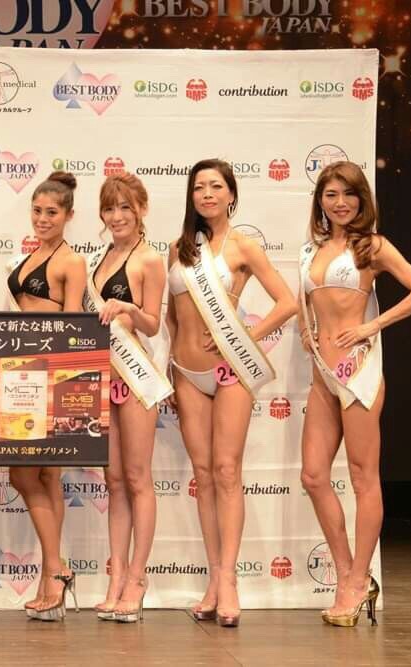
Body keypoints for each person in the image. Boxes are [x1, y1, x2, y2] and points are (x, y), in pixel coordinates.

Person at [298, 161, 411, 627]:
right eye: (331, 194)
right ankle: (346, 573)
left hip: (356, 372)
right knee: (313, 475)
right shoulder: (312, 249)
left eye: (348, 194)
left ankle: (359, 579)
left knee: (362, 477)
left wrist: (371, 326)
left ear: (362, 200)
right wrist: (307, 329)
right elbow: (309, 302)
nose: (340, 203)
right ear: (320, 201)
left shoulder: (372, 246)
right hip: (322, 375)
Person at [167, 159, 297, 627]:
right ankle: (212, 578)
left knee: (226, 470)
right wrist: (168, 367)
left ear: (231, 194)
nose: (207, 194)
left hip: (230, 370)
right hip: (186, 372)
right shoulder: (178, 249)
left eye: (216, 186)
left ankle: (229, 582)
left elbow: (288, 302)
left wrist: (245, 335)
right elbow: (171, 317)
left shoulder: (244, 246)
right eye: (199, 187)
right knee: (203, 473)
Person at [85, 172, 170, 623]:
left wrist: (128, 308)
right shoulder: (100, 257)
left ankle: (137, 579)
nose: (116, 216)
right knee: (114, 481)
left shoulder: (150, 259)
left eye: (125, 207)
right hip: (104, 378)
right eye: (109, 208)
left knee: (138, 479)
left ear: (141, 210)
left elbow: (153, 323)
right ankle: (115, 578)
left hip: (136, 378)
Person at [4, 171, 87, 621]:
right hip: (22, 373)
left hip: (49, 376)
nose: (42, 219)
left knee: (23, 475)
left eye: (51, 212)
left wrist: (57, 381)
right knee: (46, 477)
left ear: (68, 215)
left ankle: (55, 569)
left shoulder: (71, 262)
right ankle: (50, 576)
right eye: (36, 211)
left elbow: (72, 326)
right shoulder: (33, 255)